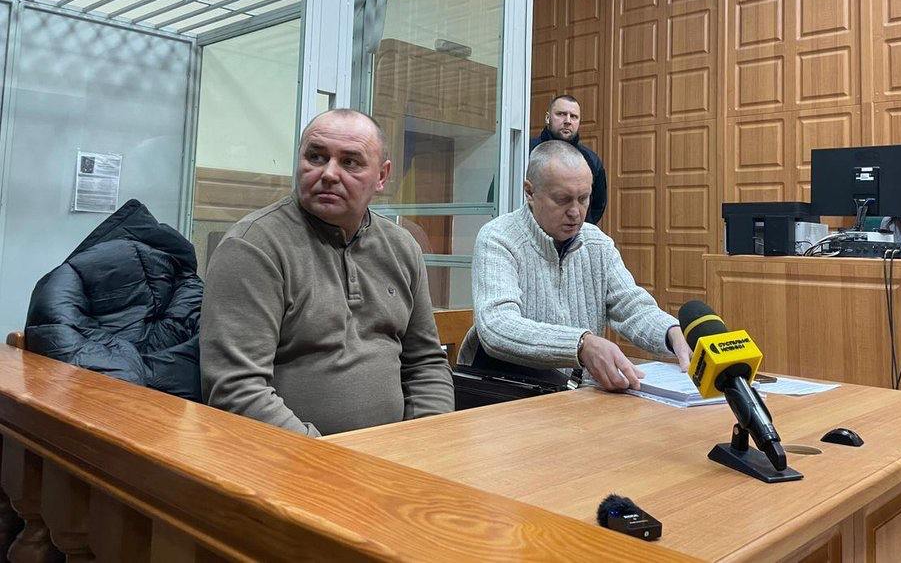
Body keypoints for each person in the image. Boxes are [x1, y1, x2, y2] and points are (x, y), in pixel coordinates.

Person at [200, 109, 454, 436]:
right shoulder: (253, 246)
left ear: (382, 176)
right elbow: (235, 388)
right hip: (293, 455)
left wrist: (424, 441)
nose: (329, 173)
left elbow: (426, 364)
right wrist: (323, 456)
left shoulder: (402, 246)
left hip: (393, 452)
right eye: (316, 157)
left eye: (350, 162)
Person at [458, 141, 691, 391]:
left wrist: (671, 332)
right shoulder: (499, 237)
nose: (576, 212)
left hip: (576, 392)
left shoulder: (597, 243)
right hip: (508, 390)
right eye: (563, 199)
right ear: (530, 192)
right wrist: (580, 345)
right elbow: (497, 326)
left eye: (583, 198)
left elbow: (632, 307)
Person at [531, 95, 607, 225]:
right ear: (548, 118)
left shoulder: (591, 160)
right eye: (561, 114)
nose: (567, 121)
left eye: (573, 116)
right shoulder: (526, 150)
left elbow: (598, 204)